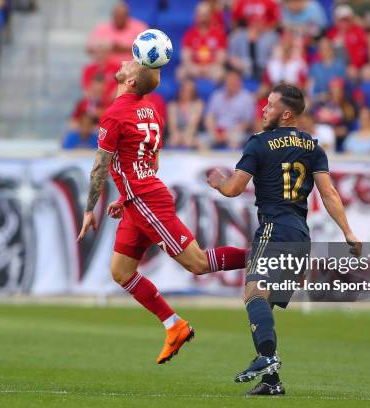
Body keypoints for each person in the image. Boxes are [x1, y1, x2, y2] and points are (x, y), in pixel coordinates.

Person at [76, 60, 248, 365]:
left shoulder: (114, 114)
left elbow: (101, 166)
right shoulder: (152, 110)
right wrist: (126, 196)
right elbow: (150, 164)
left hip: (145, 199)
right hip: (137, 199)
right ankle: (174, 325)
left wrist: (91, 208)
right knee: (121, 271)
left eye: (131, 63)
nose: (128, 62)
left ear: (130, 81)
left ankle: (267, 257)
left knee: (196, 262)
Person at [206, 84, 362, 396]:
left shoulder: (260, 143)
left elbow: (235, 188)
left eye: (270, 105)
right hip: (300, 235)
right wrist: (348, 231)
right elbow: (328, 193)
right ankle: (271, 382)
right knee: (266, 305)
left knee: (253, 295)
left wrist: (218, 181)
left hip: (274, 229)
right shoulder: (313, 147)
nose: (263, 109)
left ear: (286, 113)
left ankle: (266, 357)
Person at [204, 69, 255, 149]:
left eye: (234, 81)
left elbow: (247, 122)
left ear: (239, 82)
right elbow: (209, 117)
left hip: (235, 131)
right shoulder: (217, 95)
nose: (231, 83)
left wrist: (228, 133)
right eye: (229, 81)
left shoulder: (246, 98)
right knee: (202, 141)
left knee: (234, 140)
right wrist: (213, 132)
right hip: (217, 130)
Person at [177, 2, 227, 83]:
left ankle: (214, 95)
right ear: (196, 16)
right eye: (201, 15)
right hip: (194, 67)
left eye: (205, 15)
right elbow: (185, 57)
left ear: (210, 16)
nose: (203, 18)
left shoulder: (219, 34)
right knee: (180, 72)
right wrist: (195, 68)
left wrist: (207, 68)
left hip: (212, 68)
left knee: (220, 72)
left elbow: (221, 59)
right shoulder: (190, 34)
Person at [86, 2, 147, 67]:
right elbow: (89, 49)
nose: (119, 18)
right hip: (106, 70)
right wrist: (104, 48)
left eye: (122, 16)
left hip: (131, 70)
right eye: (117, 15)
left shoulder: (139, 27)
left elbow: (146, 50)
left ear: (127, 16)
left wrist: (121, 48)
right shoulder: (102, 28)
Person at [166, 79, 204, 149]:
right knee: (173, 140)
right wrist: (177, 135)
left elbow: (193, 125)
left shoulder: (198, 104)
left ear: (193, 93)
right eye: (184, 90)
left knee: (190, 141)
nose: (186, 93)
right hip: (176, 134)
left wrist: (186, 136)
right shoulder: (172, 105)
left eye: (189, 91)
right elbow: (172, 127)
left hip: (192, 134)